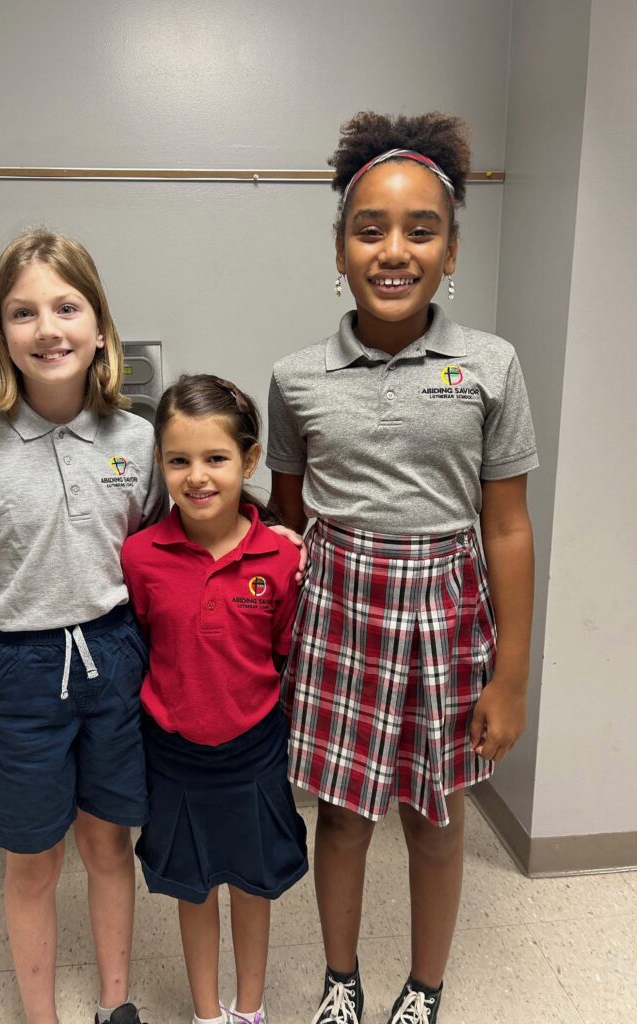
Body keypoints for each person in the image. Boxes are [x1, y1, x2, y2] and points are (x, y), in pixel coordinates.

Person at [267, 112, 538, 1024]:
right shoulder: (297, 376)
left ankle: (424, 989)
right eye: (369, 228)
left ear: (452, 248)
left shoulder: (490, 366)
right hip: (338, 615)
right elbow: (286, 519)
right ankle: (340, 983)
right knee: (341, 816)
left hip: (446, 614)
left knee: (435, 817)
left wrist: (511, 673)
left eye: (422, 229)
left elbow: (506, 529)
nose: (395, 249)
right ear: (339, 250)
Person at [0, 230, 169, 1024]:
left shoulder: (137, 438)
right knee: (33, 854)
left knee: (108, 842)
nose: (48, 328)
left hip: (116, 654)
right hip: (20, 667)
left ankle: (117, 1003)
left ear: (99, 325)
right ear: (1, 334)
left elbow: (160, 547)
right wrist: (32, 604)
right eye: (23, 313)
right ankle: (40, 1015)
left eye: (66, 306)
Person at [121, 374, 308, 1024]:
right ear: (161, 465)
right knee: (194, 889)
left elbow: (283, 651)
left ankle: (248, 1011)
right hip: (172, 758)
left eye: (216, 458)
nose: (197, 476)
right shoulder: (140, 557)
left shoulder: (280, 560)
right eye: (179, 460)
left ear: (249, 460)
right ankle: (207, 1014)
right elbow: (143, 641)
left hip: (253, 754)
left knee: (253, 888)